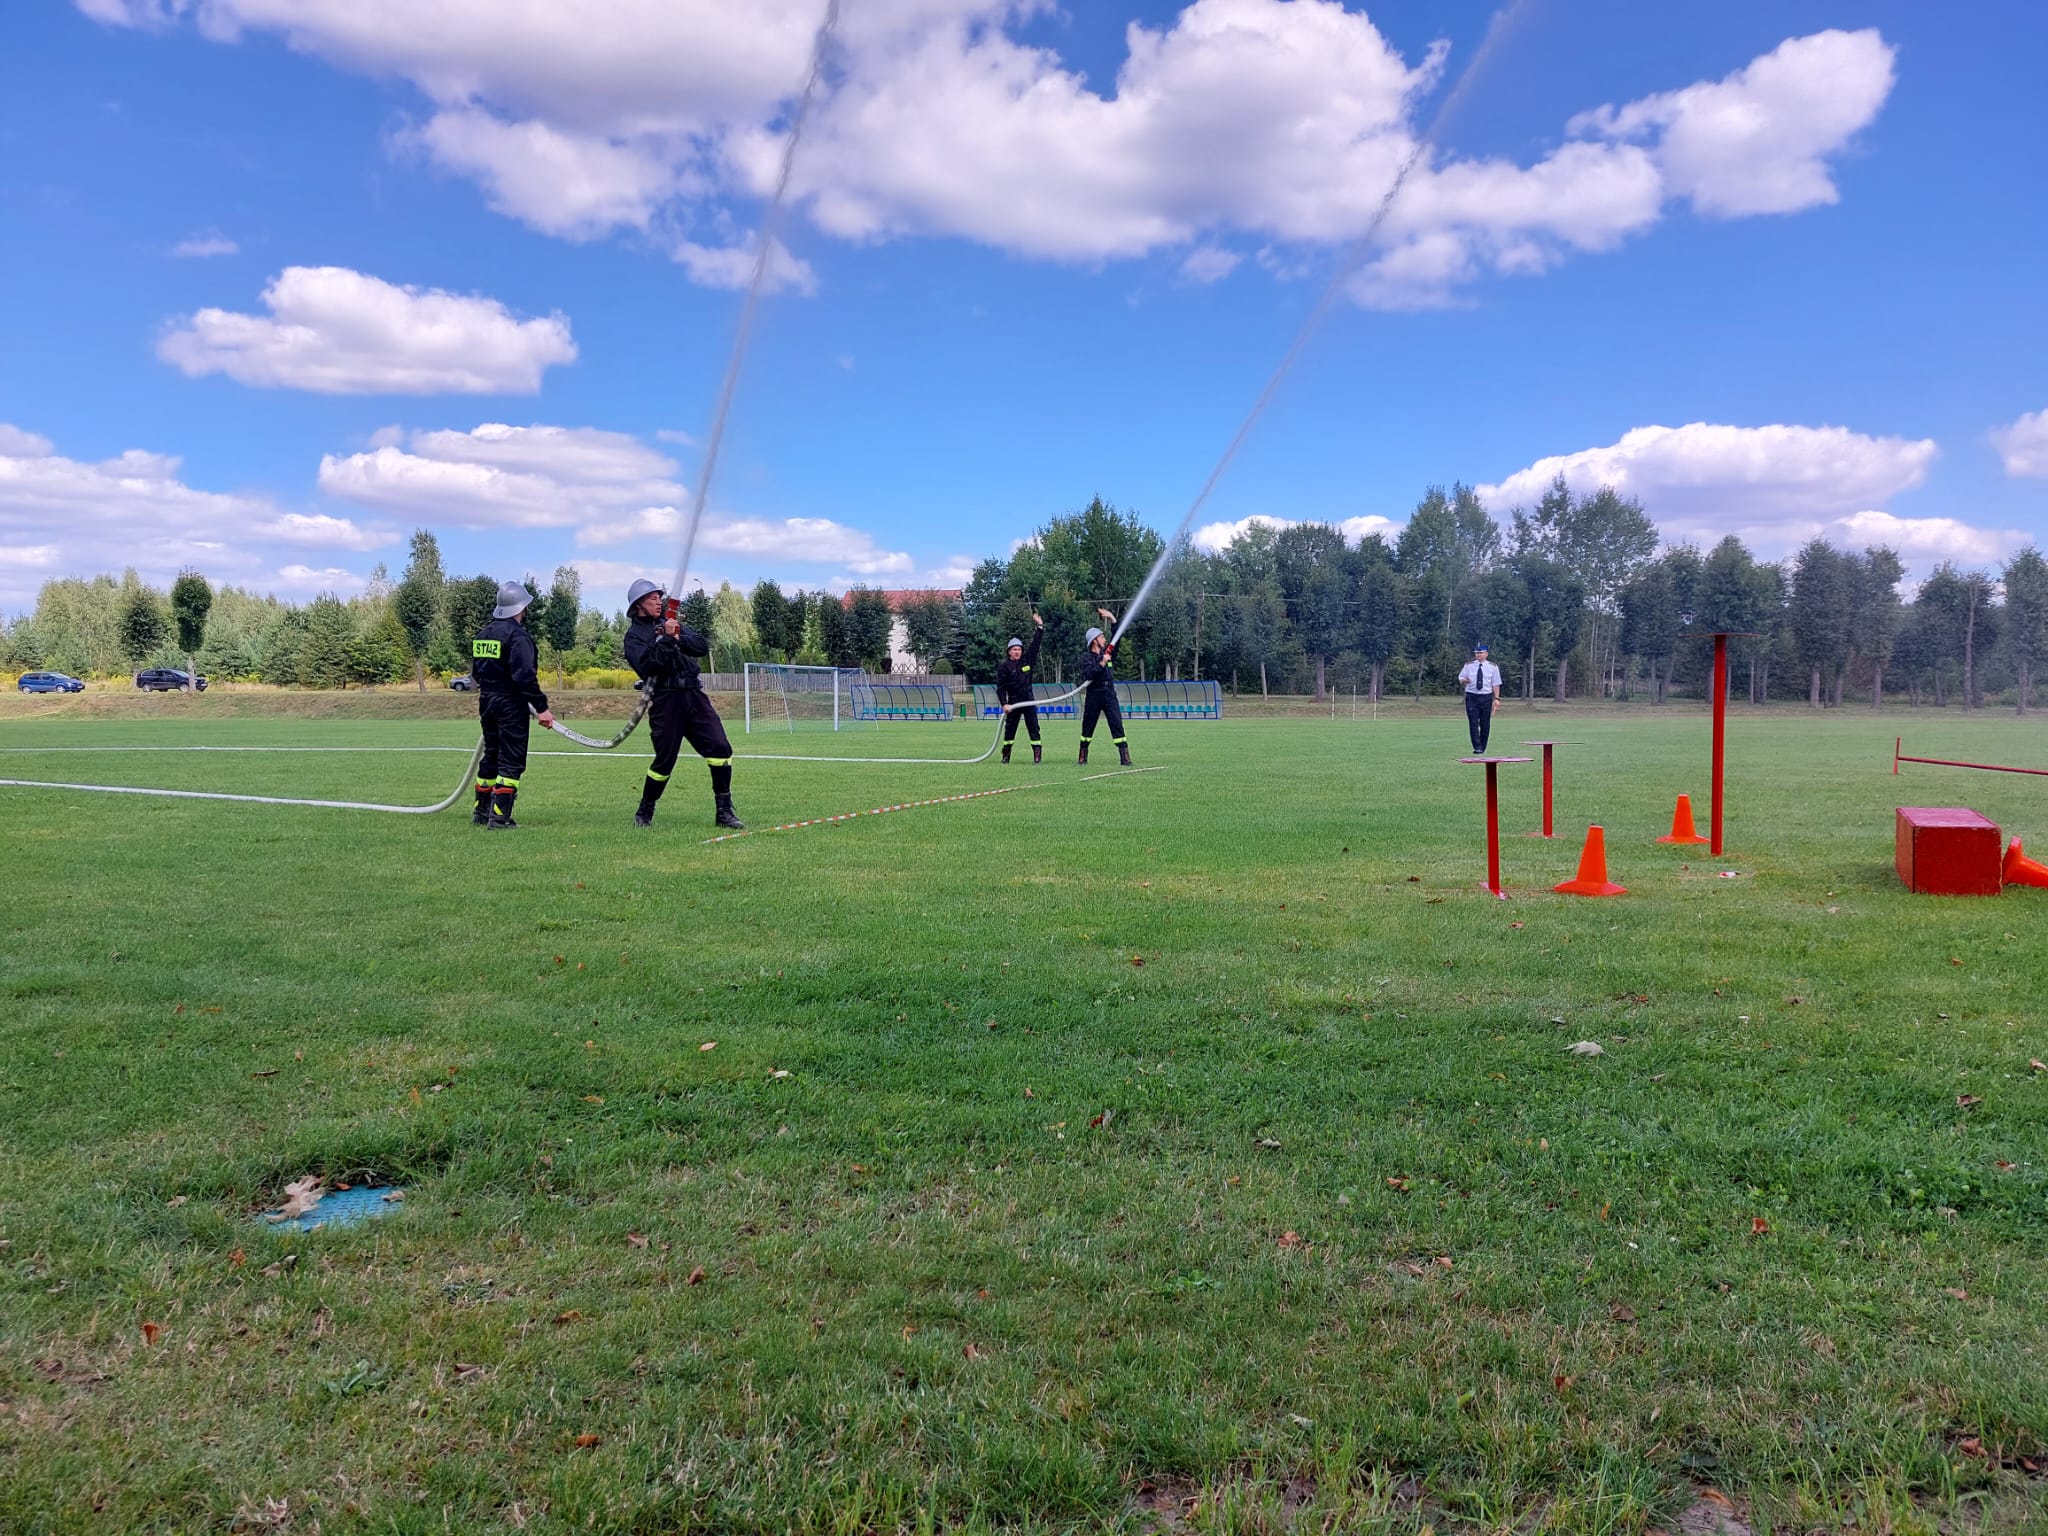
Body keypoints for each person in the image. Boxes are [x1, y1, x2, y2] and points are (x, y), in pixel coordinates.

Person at [622, 579, 745, 830]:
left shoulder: (670, 623)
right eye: (652, 598)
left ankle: (724, 811)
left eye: (659, 597)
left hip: (694, 696)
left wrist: (678, 636)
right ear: (638, 605)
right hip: (666, 701)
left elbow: (701, 646)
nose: (659, 601)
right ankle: (645, 811)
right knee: (665, 760)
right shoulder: (634, 637)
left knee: (721, 748)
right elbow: (649, 666)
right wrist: (667, 640)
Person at [471, 581, 555, 828]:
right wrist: (542, 708)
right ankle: (499, 818)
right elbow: (524, 676)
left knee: (491, 755)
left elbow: (476, 672)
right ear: (522, 607)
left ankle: (481, 812)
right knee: (511, 759)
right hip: (510, 703)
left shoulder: (483, 635)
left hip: (487, 701)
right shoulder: (518, 637)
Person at [1078, 606, 1132, 767]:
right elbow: (1089, 675)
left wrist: (1112, 619)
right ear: (1094, 640)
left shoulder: (1108, 653)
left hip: (1109, 693)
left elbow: (1117, 638)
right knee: (1088, 726)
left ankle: (1125, 757)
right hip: (1094, 694)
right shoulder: (1087, 658)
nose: (1104, 639)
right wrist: (1102, 663)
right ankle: (1082, 756)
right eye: (1101, 637)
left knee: (1116, 723)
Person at [994, 611, 1045, 764]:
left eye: (1019, 649)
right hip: (1013, 701)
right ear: (1009, 651)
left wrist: (1039, 627)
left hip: (1028, 700)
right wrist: (1004, 704)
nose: (1017, 652)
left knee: (1034, 727)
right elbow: (1000, 688)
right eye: (1014, 649)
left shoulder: (1027, 660)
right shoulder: (1004, 666)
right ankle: (1006, 755)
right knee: (1010, 729)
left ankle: (1037, 755)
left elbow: (1035, 645)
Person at [1458, 642, 1501, 754]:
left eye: (1481, 653)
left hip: (1486, 696)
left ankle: (1483, 746)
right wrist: (1464, 680)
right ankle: (1477, 746)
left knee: (1485, 722)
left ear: (1486, 654)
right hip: (1472, 696)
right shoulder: (1469, 665)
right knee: (1473, 721)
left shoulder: (1493, 667)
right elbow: (1461, 678)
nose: (1479, 655)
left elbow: (1496, 684)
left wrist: (1497, 699)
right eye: (1477, 653)